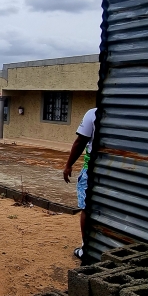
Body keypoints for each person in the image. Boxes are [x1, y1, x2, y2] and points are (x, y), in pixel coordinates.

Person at [63, 107, 96, 259]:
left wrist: (68, 165)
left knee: (86, 208)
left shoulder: (93, 113)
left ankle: (86, 249)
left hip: (92, 170)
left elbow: (80, 142)